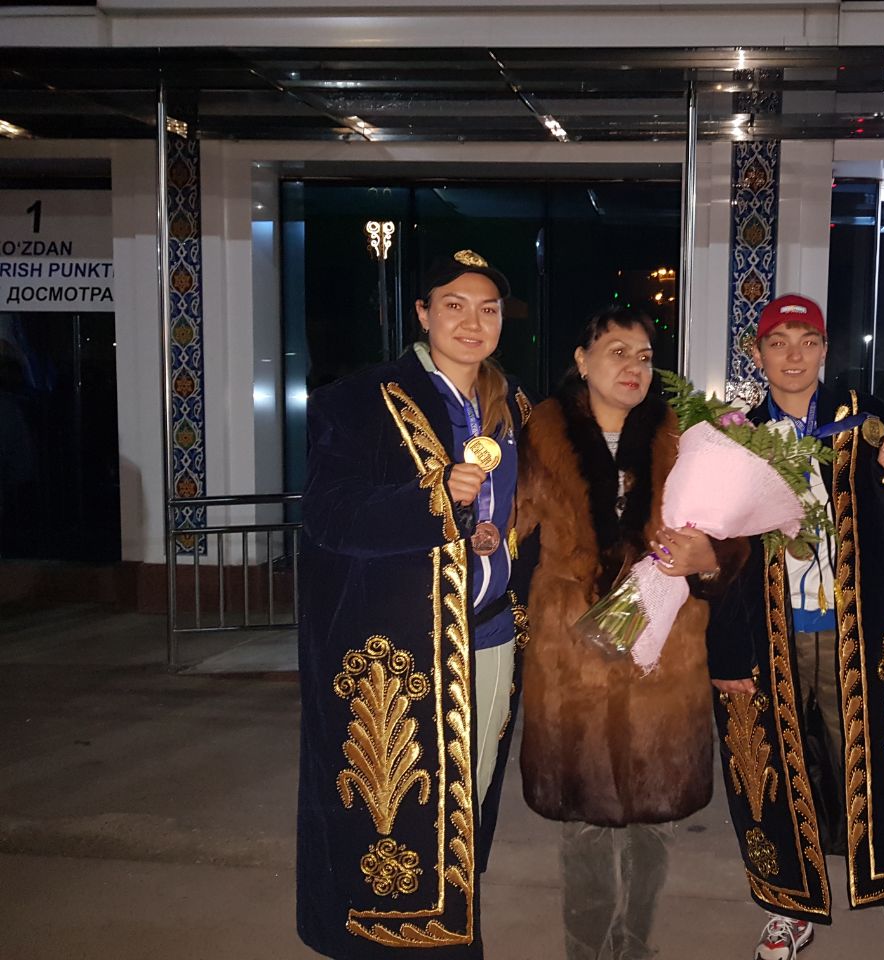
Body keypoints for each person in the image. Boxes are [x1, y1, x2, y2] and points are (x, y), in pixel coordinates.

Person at [297, 250, 533, 959]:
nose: (472, 322)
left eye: (488, 309)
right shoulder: (359, 399)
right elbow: (329, 515)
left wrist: (489, 532)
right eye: (454, 305)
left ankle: (455, 931)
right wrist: (432, 503)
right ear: (423, 314)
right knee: (399, 817)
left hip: (491, 637)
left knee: (469, 808)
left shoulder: (514, 407)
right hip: (400, 657)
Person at [708, 294, 884, 960]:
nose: (793, 355)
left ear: (824, 350)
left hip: (866, 638)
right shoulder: (733, 436)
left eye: (806, 341)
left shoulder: (867, 421)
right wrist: (725, 651)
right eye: (778, 342)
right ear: (756, 355)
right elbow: (717, 556)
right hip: (769, 639)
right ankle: (789, 911)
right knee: (775, 777)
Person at [515, 305, 743, 960]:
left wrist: (711, 557)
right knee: (583, 828)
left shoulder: (686, 439)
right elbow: (506, 528)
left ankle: (636, 943)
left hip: (662, 656)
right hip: (573, 658)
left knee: (655, 823)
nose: (634, 367)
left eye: (644, 356)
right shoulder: (540, 438)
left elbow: (733, 538)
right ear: (582, 360)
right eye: (617, 351)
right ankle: (586, 951)